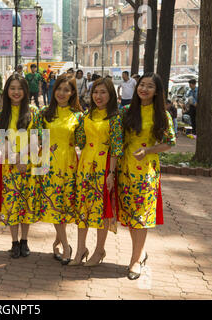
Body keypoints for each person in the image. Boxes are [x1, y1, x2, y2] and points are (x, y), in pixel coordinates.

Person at [118, 73, 176, 280]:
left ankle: (135, 261)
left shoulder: (162, 115)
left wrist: (150, 150)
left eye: (149, 86)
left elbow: (170, 142)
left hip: (147, 173)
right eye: (142, 85)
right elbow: (117, 141)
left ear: (157, 91)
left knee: (141, 216)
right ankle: (140, 253)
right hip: (125, 171)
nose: (144, 89)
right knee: (131, 216)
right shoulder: (125, 111)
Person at [71, 78, 123, 266]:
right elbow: (80, 140)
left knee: (102, 210)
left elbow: (117, 148)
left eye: (103, 92)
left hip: (103, 167)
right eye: (95, 92)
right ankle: (80, 249)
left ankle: (99, 250)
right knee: (83, 208)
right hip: (84, 166)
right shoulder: (87, 115)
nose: (98, 96)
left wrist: (111, 173)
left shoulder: (115, 118)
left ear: (110, 95)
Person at [39, 75, 84, 265]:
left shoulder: (79, 116)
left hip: (69, 165)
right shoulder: (44, 113)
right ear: (53, 89)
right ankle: (66, 246)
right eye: (59, 89)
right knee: (54, 206)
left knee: (65, 206)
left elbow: (82, 142)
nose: (62, 93)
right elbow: (37, 140)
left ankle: (57, 241)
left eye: (66, 90)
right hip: (48, 165)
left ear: (73, 93)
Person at [0, 74, 42, 258]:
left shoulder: (33, 111)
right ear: (7, 91)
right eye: (12, 88)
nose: (16, 92)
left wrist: (24, 158)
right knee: (12, 203)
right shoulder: (3, 113)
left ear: (25, 91)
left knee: (26, 203)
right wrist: (16, 160)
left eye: (20, 88)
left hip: (29, 165)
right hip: (10, 166)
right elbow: (0, 142)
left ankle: (25, 241)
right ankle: (14, 242)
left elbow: (38, 138)